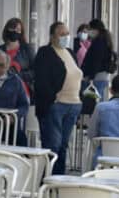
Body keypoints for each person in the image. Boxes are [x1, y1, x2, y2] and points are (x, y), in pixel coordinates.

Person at [34, 21, 84, 175]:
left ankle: (59, 178)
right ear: (52, 36)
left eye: (67, 34)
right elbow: (42, 79)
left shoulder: (70, 52)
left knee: (63, 145)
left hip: (73, 104)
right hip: (56, 105)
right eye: (61, 34)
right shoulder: (45, 52)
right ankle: (48, 178)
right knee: (53, 145)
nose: (65, 37)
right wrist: (52, 99)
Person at [0, 17, 36, 97]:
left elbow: (36, 71)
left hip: (23, 93)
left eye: (18, 30)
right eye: (12, 29)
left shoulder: (27, 49)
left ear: (21, 33)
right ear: (7, 30)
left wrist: (19, 75)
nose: (15, 32)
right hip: (2, 92)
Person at [81, 19, 114, 100]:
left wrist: (91, 77)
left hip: (95, 78)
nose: (89, 32)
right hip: (101, 77)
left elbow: (96, 61)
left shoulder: (99, 43)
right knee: (97, 100)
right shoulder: (105, 41)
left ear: (96, 30)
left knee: (93, 102)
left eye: (90, 29)